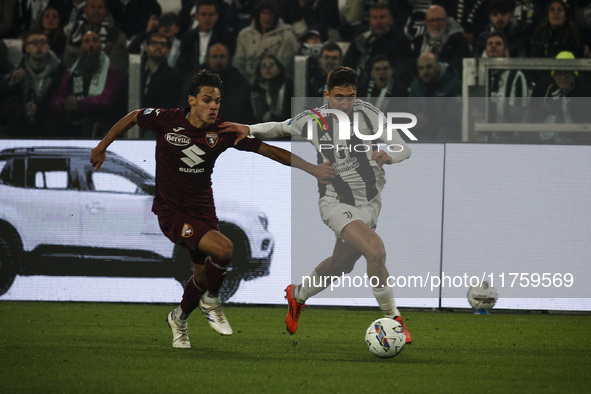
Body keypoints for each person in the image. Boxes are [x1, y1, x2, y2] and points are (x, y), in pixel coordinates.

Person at [89, 69, 335, 348]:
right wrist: (102, 146)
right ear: (191, 100)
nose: (213, 106)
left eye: (217, 101)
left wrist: (312, 168)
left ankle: (179, 319)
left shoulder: (223, 131)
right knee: (224, 249)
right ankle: (212, 301)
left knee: (202, 275)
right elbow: (134, 116)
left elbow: (269, 151)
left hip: (203, 211)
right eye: (207, 100)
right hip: (172, 212)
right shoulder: (167, 120)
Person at [219, 66, 413, 343]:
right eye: (338, 97)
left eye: (350, 96)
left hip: (370, 203)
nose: (344, 103)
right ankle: (395, 320)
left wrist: (389, 155)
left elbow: (403, 146)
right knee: (376, 251)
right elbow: (277, 128)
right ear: (327, 95)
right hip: (335, 201)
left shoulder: (370, 114)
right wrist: (247, 128)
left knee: (341, 265)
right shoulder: (313, 119)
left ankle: (298, 295)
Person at [50, 30, 125, 138]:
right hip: (74, 124)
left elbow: (106, 100)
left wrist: (78, 104)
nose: (91, 45)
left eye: (95, 41)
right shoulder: (70, 72)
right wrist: (61, 103)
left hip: (103, 124)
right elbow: (59, 96)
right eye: (86, 41)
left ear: (101, 46)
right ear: (81, 47)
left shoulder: (112, 72)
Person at [0, 32, 65, 137]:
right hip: (21, 127)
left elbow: (60, 99)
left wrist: (39, 108)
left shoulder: (60, 71)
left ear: (48, 47)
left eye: (43, 42)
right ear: (27, 49)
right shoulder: (19, 70)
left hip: (50, 125)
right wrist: (11, 84)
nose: (39, 46)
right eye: (34, 43)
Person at [342, 3, 412, 89]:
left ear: (389, 19)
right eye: (375, 18)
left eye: (382, 17)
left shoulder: (400, 39)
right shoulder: (361, 35)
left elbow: (401, 69)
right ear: (370, 20)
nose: (378, 21)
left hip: (385, 84)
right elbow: (349, 60)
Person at [233, 0, 298, 83]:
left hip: (274, 83)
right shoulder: (244, 34)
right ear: (258, 15)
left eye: (271, 13)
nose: (268, 17)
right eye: (264, 13)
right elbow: (238, 63)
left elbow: (283, 67)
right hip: (245, 83)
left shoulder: (287, 36)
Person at [63, 0, 129, 74]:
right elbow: (68, 61)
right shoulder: (75, 33)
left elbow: (117, 66)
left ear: (105, 11)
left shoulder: (117, 36)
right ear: (85, 10)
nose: (96, 10)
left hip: (108, 80)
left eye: (100, 7)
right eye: (93, 7)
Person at [177, 0, 237, 79]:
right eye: (203, 14)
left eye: (211, 14)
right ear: (196, 17)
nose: (207, 18)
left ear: (216, 16)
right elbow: (182, 65)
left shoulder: (227, 37)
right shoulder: (187, 38)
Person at [409, 52, 462, 141]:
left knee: (443, 133)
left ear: (438, 66)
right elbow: (412, 111)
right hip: (423, 129)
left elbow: (454, 118)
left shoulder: (454, 84)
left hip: (447, 129)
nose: (425, 71)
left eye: (429, 67)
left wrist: (430, 122)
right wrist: (415, 120)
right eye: (421, 68)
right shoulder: (416, 87)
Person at [139, 32, 182, 138]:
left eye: (162, 45)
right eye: (154, 43)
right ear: (147, 48)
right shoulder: (138, 72)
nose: (158, 47)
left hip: (157, 126)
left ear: (168, 51)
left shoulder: (172, 76)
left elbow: (168, 107)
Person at [484, 32, 530, 126]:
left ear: (506, 51)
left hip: (507, 135)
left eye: (498, 44)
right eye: (490, 44)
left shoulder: (516, 76)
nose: (493, 46)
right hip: (483, 133)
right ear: (486, 51)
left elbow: (518, 112)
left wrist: (498, 131)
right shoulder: (479, 75)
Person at [202, 42, 254, 123]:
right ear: (207, 59)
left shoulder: (238, 80)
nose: (218, 60)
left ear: (229, 59)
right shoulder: (197, 79)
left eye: (222, 56)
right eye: (214, 57)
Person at [412, 4, 471, 75]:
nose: (436, 24)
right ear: (426, 22)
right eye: (431, 20)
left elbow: (459, 67)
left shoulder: (458, 40)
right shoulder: (419, 40)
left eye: (439, 20)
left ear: (446, 20)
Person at [250, 55, 293, 122]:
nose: (267, 68)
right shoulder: (256, 90)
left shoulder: (289, 86)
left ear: (279, 68)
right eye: (263, 65)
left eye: (271, 65)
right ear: (259, 71)